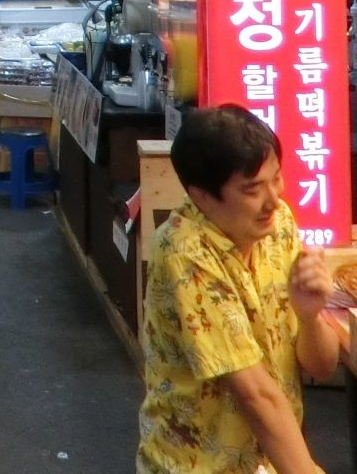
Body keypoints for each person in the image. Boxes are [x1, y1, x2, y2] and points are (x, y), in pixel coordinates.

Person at [137, 106, 339, 474]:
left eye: (276, 179)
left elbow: (321, 367)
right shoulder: (184, 252)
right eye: (251, 189)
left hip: (266, 459)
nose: (273, 200)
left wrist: (310, 318)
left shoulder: (278, 224)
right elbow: (254, 394)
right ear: (201, 197)